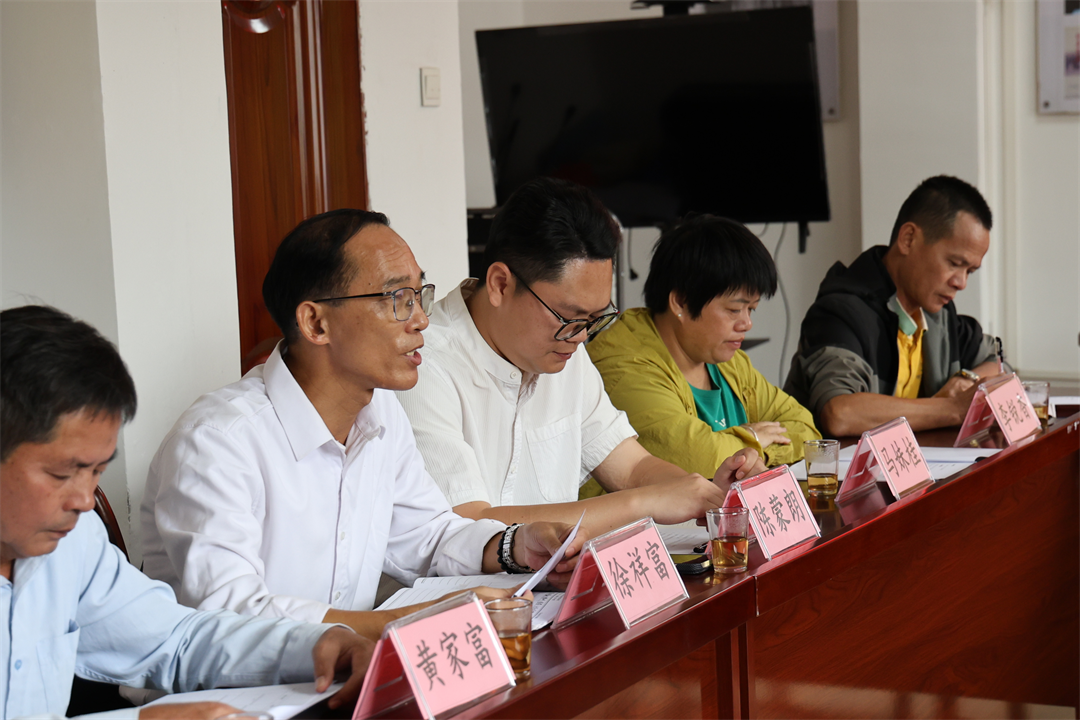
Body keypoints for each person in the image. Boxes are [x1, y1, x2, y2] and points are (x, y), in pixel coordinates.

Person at [141, 210, 583, 642]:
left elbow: (427, 536)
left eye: (419, 295)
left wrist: (516, 545)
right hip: (235, 688)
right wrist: (413, 620)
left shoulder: (381, 414)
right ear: (315, 323)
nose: (421, 320)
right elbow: (234, 616)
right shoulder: (217, 442)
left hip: (342, 675)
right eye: (398, 299)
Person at [0, 305, 373, 720]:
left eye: (96, 472)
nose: (85, 501)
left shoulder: (75, 539)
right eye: (61, 474)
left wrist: (314, 644)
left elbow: (174, 640)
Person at [396, 177, 766, 539]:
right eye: (569, 317)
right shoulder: (424, 364)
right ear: (501, 285)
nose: (582, 336)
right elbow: (468, 524)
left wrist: (708, 495)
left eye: (594, 318)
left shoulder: (564, 349)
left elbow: (632, 467)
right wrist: (641, 503)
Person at [586, 215, 820, 478]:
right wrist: (753, 439)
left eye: (751, 309)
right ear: (681, 302)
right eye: (734, 310)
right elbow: (700, 459)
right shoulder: (624, 365)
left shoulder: (729, 361)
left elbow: (806, 430)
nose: (747, 324)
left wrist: (749, 452)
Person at [784, 175, 1003, 437]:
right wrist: (953, 408)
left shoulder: (937, 315)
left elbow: (997, 363)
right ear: (908, 239)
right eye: (955, 263)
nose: (961, 282)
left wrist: (966, 378)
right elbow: (840, 413)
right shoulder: (841, 312)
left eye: (970, 271)